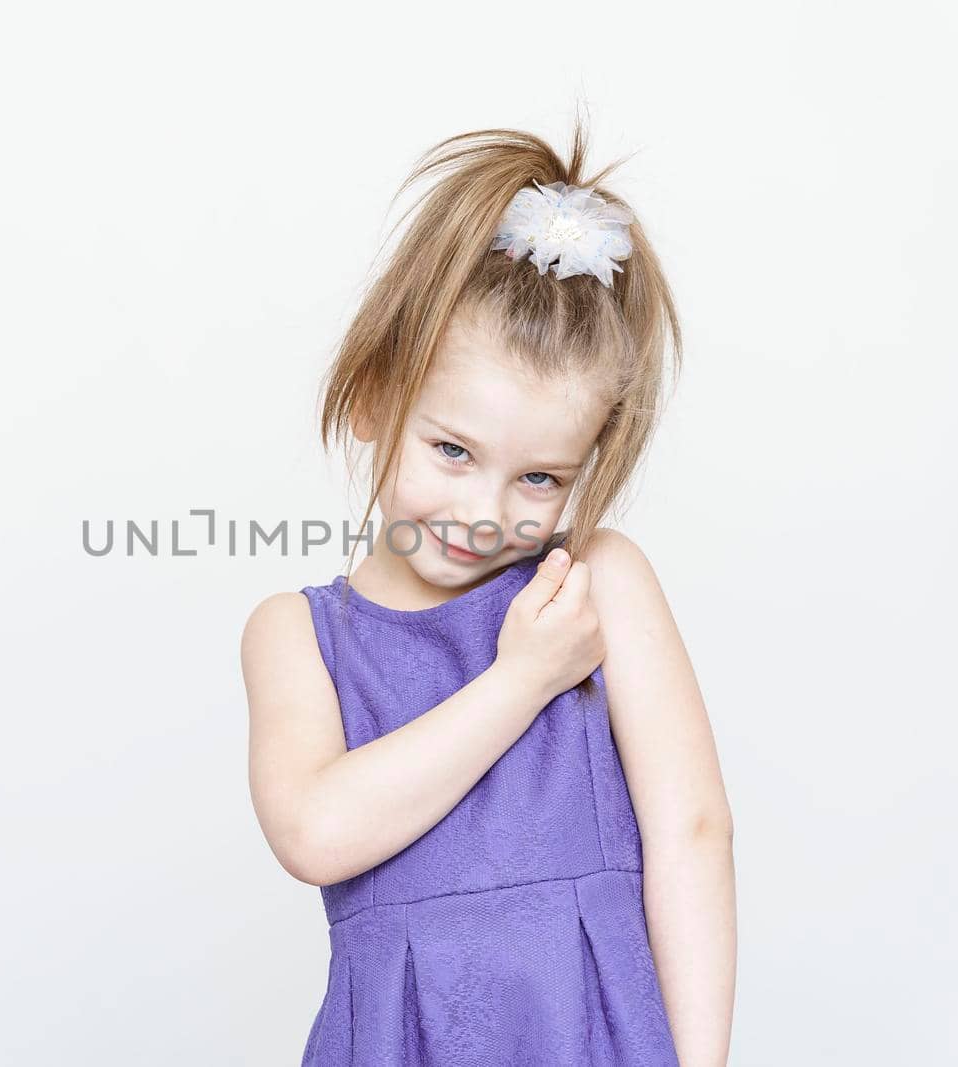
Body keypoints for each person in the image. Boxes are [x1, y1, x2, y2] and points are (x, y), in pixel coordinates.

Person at [241, 119, 736, 1066]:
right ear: (375, 396)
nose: (484, 510)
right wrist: (521, 680)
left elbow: (694, 829)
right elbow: (314, 831)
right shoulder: (294, 635)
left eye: (540, 478)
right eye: (453, 451)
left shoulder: (598, 584)